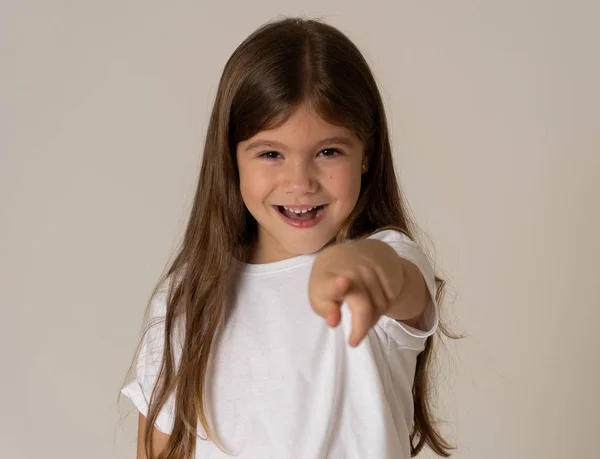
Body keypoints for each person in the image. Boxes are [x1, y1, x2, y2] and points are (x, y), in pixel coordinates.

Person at [121, 16, 452, 459]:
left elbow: (399, 282)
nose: (300, 182)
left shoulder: (388, 257)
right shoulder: (187, 298)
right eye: (271, 153)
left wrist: (357, 268)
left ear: (367, 154)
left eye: (328, 152)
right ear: (231, 158)